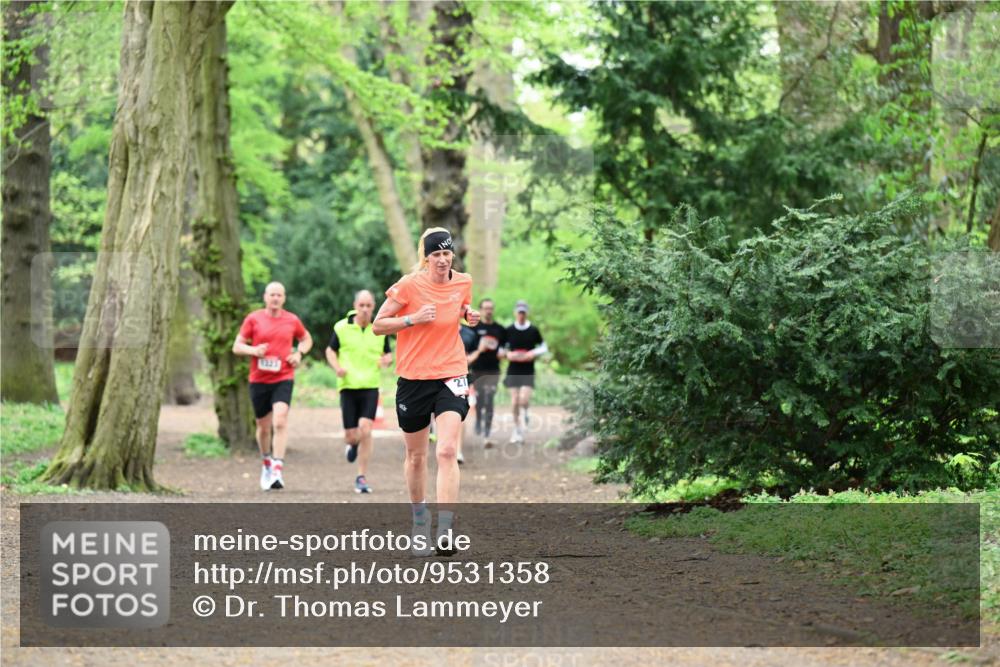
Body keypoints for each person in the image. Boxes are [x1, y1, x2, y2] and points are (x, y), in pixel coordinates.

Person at [372, 227, 479, 556]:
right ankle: (420, 519)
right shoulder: (409, 284)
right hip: (414, 378)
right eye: (436, 255)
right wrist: (412, 319)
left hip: (451, 373)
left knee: (446, 450)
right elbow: (378, 324)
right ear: (426, 257)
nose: (443, 260)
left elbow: (459, 306)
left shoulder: (464, 282)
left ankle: (445, 528)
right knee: (416, 456)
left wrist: (468, 315)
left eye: (447, 254)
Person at [232, 282, 313, 491]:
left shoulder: (292, 320)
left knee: (280, 420)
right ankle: (266, 462)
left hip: (283, 377)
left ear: (284, 298)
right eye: (272, 295)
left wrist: (298, 353)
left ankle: (277, 468)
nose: (275, 298)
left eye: (279, 295)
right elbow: (237, 346)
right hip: (258, 379)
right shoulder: (254, 318)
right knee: (263, 427)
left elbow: (306, 339)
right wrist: (254, 350)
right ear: (265, 297)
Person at [326, 290, 392, 494]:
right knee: (351, 435)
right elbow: (330, 350)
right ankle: (352, 445)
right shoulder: (341, 327)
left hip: (370, 385)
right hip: (348, 386)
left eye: (369, 306)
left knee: (367, 429)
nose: (364, 309)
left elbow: (388, 354)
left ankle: (361, 477)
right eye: (361, 305)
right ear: (355, 305)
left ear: (374, 307)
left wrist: (387, 360)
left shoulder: (380, 328)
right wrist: (337, 367)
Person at [503, 300, 546, 444]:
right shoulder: (509, 330)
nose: (521, 315)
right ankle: (517, 429)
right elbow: (501, 349)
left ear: (527, 313)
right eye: (519, 312)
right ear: (515, 312)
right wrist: (508, 354)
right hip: (513, 369)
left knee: (524, 399)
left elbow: (544, 347)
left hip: (528, 369)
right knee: (515, 400)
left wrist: (532, 353)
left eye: (524, 312)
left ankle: (526, 411)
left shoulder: (533, 330)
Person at [469, 298, 506, 447]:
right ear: (481, 310)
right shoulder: (474, 329)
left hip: (493, 370)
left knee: (489, 398)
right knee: (480, 398)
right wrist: (479, 349)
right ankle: (478, 418)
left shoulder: (499, 329)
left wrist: (503, 353)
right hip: (477, 369)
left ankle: (487, 433)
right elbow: (469, 349)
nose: (488, 311)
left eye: (491, 308)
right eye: (485, 308)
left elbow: (504, 347)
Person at [457, 322, 480, 464]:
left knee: (459, 414)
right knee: (438, 416)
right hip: (438, 376)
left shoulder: (469, 334)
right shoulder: (438, 329)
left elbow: (476, 350)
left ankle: (458, 451)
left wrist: (469, 358)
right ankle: (444, 447)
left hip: (461, 377)